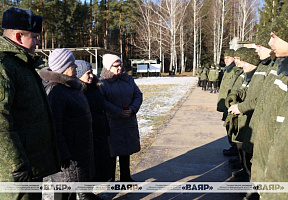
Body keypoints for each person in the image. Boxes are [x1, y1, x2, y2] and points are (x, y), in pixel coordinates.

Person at [0, 7, 60, 200]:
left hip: (30, 164)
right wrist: (16, 166)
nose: (38, 42)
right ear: (19, 36)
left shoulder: (21, 63)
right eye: (34, 36)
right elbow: (1, 120)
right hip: (15, 172)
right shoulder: (4, 65)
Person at [39, 49, 95, 200]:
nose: (76, 67)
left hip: (79, 151)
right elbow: (55, 126)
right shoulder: (56, 91)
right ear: (63, 67)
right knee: (64, 192)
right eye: (72, 64)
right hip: (68, 157)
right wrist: (62, 154)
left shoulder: (71, 87)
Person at [100, 54, 143, 182]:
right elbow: (102, 101)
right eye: (116, 66)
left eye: (120, 65)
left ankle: (126, 177)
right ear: (108, 67)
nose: (120, 68)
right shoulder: (102, 82)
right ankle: (110, 180)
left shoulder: (128, 79)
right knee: (111, 152)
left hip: (128, 120)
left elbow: (138, 94)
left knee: (126, 149)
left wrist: (133, 108)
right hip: (112, 122)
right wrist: (117, 112)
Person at [75, 60, 112, 182]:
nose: (91, 75)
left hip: (100, 130)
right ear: (79, 74)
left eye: (91, 72)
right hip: (90, 133)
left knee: (101, 164)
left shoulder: (95, 87)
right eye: (88, 73)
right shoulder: (78, 91)